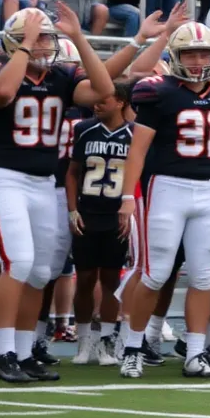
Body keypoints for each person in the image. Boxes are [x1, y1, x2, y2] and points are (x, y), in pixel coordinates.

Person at [0, 5, 113, 383]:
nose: (44, 46)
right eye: (39, 38)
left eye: (48, 38)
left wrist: (79, 38)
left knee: (40, 271)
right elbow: (2, 93)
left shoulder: (60, 77)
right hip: (3, 178)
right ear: (14, 41)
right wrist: (26, 44)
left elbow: (104, 89)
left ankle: (24, 349)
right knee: (17, 262)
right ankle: (3, 353)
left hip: (43, 182)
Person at [117, 24, 210, 379]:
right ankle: (133, 347)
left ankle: (196, 354)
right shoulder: (158, 92)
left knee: (203, 277)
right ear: (176, 57)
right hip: (167, 188)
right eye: (190, 54)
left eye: (204, 53)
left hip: (209, 191)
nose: (199, 61)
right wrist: (128, 196)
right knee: (155, 275)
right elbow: (137, 150)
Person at [66, 81, 134, 367]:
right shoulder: (84, 129)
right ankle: (84, 339)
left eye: (103, 99)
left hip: (116, 214)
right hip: (88, 212)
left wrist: (132, 212)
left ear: (120, 101)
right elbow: (72, 173)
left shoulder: (135, 134)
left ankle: (106, 340)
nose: (96, 104)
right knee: (83, 279)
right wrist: (72, 210)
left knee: (110, 279)